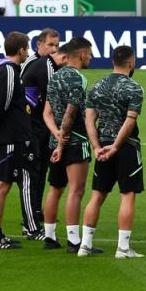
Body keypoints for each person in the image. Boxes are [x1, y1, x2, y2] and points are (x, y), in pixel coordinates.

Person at [81, 45, 145, 259]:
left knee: (97, 195)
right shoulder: (134, 88)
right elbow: (130, 120)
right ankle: (123, 248)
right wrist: (116, 146)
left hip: (102, 146)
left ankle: (85, 245)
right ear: (131, 62)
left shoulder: (97, 86)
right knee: (127, 196)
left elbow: (89, 119)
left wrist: (97, 146)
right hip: (125, 147)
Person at [42, 37, 94, 254]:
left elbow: (47, 112)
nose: (91, 57)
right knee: (76, 190)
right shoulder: (78, 79)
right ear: (81, 55)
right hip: (74, 142)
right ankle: (74, 241)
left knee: (55, 188)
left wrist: (55, 136)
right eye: (89, 54)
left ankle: (49, 236)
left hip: (55, 140)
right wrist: (63, 142)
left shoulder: (55, 77)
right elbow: (70, 114)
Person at [0, 31, 31, 249]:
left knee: (0, 182)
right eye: (27, 49)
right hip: (10, 135)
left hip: (4, 134)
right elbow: (1, 104)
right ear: (21, 50)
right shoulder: (10, 71)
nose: (28, 53)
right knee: (2, 183)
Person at [18, 27, 62, 239]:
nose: (54, 49)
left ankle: (35, 212)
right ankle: (30, 221)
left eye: (57, 45)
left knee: (41, 172)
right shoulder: (36, 64)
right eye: (50, 45)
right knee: (32, 175)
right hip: (32, 128)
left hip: (41, 127)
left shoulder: (47, 64)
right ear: (39, 45)